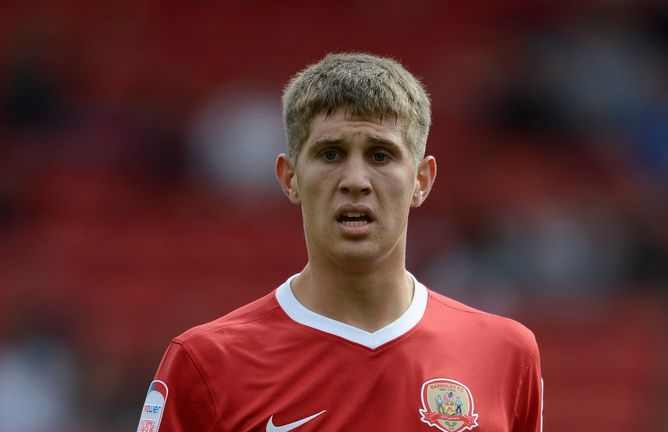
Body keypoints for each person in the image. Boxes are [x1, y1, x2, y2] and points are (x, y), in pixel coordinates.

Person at [136, 52, 543, 432]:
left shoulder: (506, 354)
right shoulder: (206, 363)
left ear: (422, 180)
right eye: (331, 154)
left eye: (380, 155)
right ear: (290, 178)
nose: (355, 180)